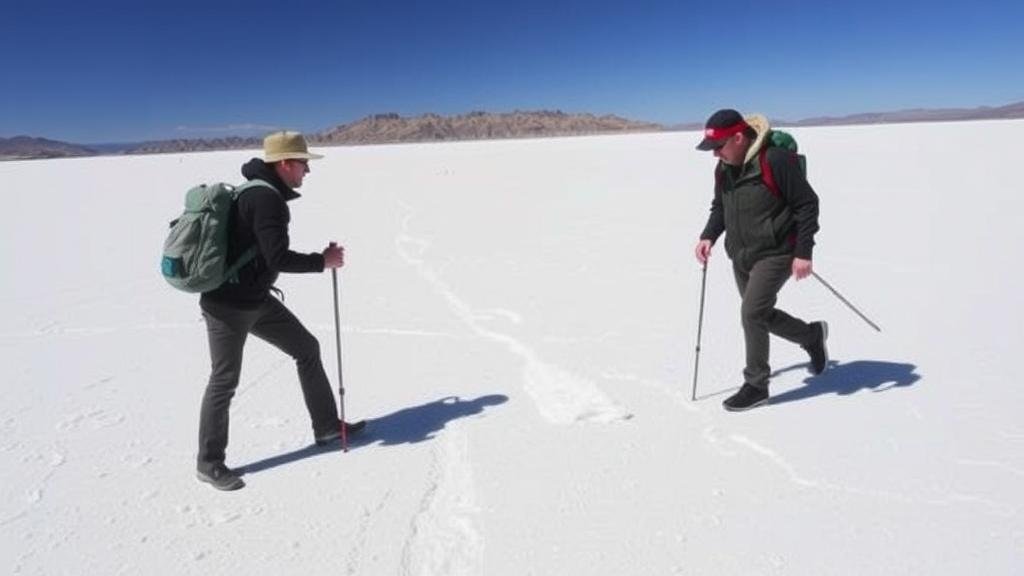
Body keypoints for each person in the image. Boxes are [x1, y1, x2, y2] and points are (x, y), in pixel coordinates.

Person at [195, 131, 357, 490]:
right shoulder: (266, 200)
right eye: (303, 164)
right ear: (285, 164)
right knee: (224, 380)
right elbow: (277, 257)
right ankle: (209, 463)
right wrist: (323, 261)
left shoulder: (257, 193)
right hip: (228, 306)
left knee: (306, 348)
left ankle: (327, 427)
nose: (306, 172)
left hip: (255, 299)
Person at [693, 109, 829, 412]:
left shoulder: (775, 161)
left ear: (739, 138)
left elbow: (807, 205)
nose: (715, 155)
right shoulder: (725, 168)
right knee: (759, 315)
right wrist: (708, 236)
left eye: (719, 147)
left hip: (777, 252)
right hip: (741, 253)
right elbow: (720, 206)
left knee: (752, 313)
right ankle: (812, 335)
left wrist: (803, 252)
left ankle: (756, 385)